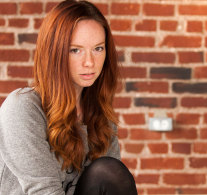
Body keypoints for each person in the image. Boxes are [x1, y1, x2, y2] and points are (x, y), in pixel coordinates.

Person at [0, 0, 138, 194]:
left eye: (98, 48)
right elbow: (43, 191)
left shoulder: (100, 115)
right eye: (75, 50)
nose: (89, 62)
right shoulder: (22, 107)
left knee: (109, 172)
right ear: (54, 53)